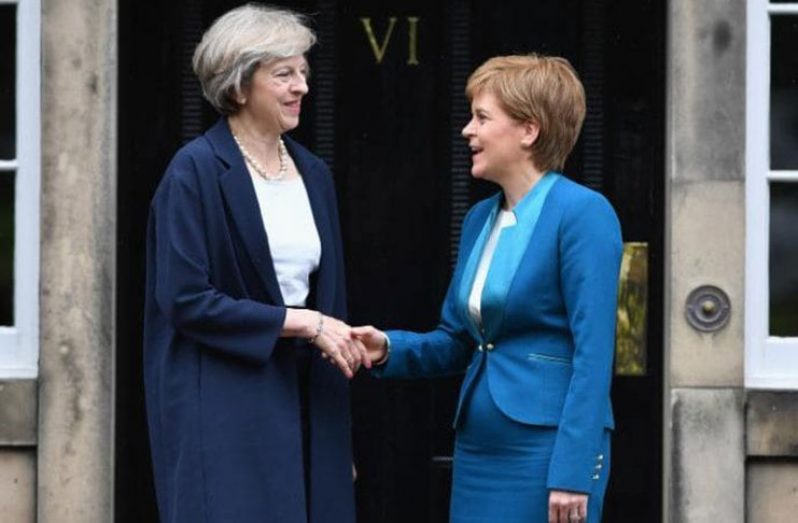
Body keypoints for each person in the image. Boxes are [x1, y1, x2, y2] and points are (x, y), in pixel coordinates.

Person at [355, 54, 622, 523]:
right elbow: (459, 341)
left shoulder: (583, 213)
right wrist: (386, 348)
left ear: (529, 130)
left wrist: (573, 472)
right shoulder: (480, 219)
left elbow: (594, 354)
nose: (467, 131)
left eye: (481, 117)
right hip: (479, 446)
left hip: (548, 452)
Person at [142, 5, 365, 522]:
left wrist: (335, 436)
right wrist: (302, 323)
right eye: (284, 74)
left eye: (304, 72)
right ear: (239, 86)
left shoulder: (313, 173)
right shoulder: (193, 172)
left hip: (307, 401)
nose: (301, 87)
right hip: (222, 405)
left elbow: (326, 300)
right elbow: (185, 299)